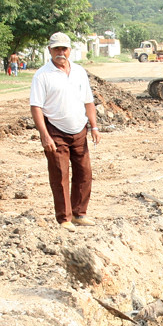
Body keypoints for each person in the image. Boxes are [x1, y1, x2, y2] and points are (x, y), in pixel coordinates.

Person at [29, 32, 100, 230]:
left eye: (64, 49)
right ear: (50, 50)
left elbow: (88, 101)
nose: (61, 52)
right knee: (60, 175)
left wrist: (93, 126)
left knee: (84, 173)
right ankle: (64, 218)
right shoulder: (42, 75)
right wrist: (45, 135)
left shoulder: (78, 72)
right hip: (55, 131)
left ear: (70, 50)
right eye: (56, 49)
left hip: (79, 130)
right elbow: (36, 107)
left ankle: (79, 213)